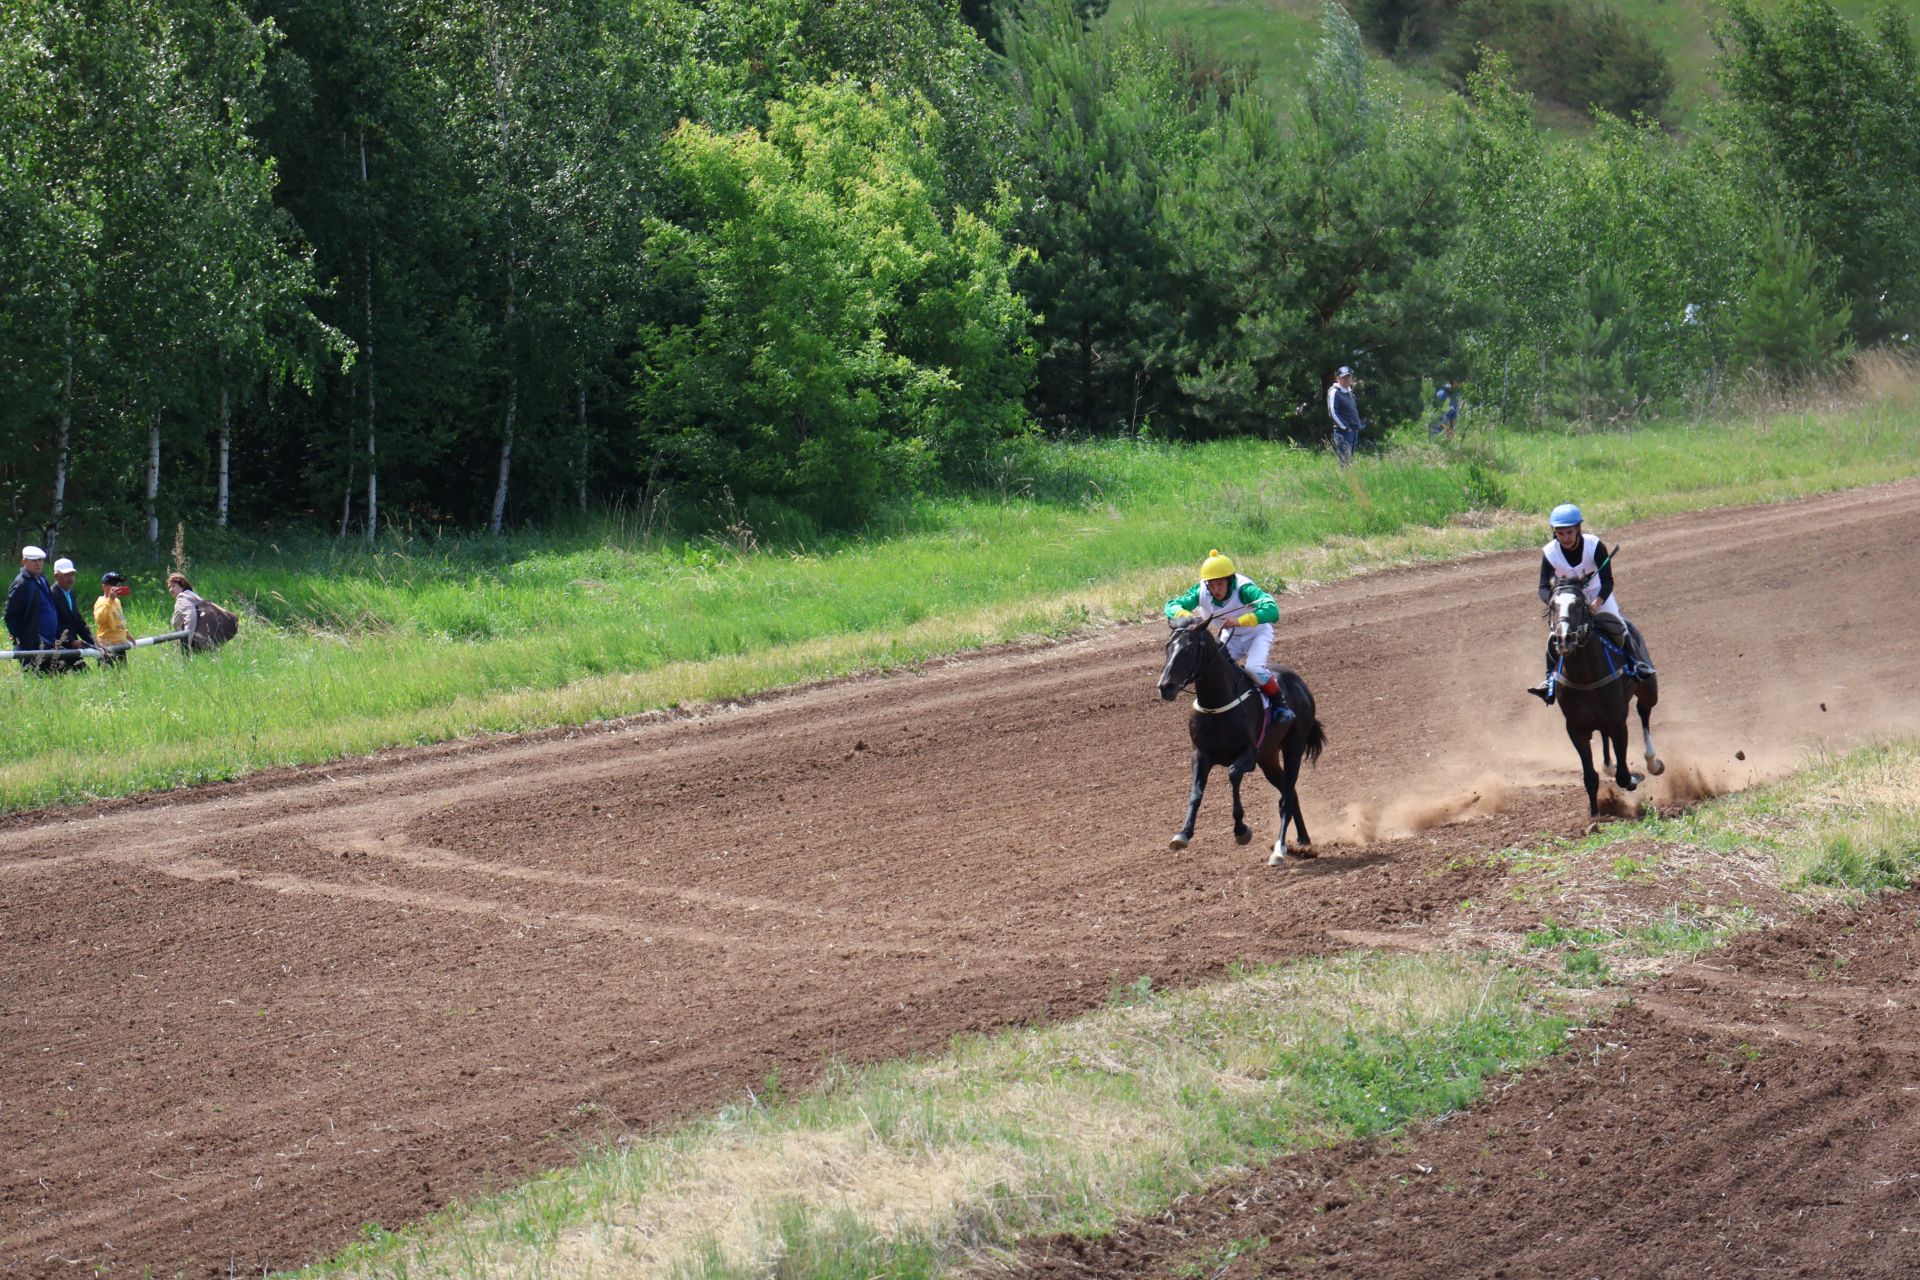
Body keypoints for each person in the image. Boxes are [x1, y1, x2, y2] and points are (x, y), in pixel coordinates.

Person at [1528, 504, 1657, 704]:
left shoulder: (1594, 545)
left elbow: (1608, 581)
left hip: (1597, 594)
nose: (1565, 537)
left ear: (1578, 528)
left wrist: (1597, 603)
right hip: (1567, 601)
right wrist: (1555, 602)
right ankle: (1549, 682)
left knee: (1620, 628)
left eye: (1569, 532)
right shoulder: (1549, 553)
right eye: (1560, 533)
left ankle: (1636, 666)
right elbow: (1543, 587)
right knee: (1554, 638)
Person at [1164, 549, 1293, 724]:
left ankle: (1281, 704)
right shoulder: (1201, 591)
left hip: (1257, 634)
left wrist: (1241, 620)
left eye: (1219, 584)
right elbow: (1172, 605)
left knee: (1254, 669)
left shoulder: (1244, 588)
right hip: (1230, 636)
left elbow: (1273, 610)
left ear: (1230, 580)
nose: (1215, 590)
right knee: (1212, 668)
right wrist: (1186, 615)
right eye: (1211, 584)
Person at [5, 546, 60, 675]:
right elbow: (10, 615)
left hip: (49, 642)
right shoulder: (22, 583)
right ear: (24, 562)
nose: (38, 563)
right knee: (34, 679)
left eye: (40, 560)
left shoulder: (41, 579)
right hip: (32, 645)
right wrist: (23, 637)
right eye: (34, 560)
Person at [48, 557, 96, 672]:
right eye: (66, 575)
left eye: (72, 574)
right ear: (56, 576)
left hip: (71, 648)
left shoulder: (70, 593)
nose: (70, 578)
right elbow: (52, 624)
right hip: (57, 648)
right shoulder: (51, 595)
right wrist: (70, 642)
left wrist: (93, 640)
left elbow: (77, 620)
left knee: (85, 674)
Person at [1327, 366, 1364, 468]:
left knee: (1349, 461)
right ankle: (1344, 481)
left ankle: (1349, 481)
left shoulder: (1349, 392)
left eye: (1348, 377)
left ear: (1351, 378)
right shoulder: (1335, 392)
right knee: (1344, 463)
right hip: (1343, 432)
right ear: (1338, 378)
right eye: (1343, 377)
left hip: (1353, 431)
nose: (1346, 379)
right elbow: (1333, 413)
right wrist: (1345, 427)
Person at [93, 571, 132, 667]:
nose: (117, 587)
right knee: (109, 676)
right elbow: (99, 619)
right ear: (104, 586)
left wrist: (126, 633)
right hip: (107, 646)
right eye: (113, 584)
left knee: (123, 675)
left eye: (119, 584)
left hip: (120, 645)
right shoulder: (101, 602)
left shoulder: (117, 601)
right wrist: (110, 600)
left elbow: (119, 619)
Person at [167, 572, 204, 648]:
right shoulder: (192, 595)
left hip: (198, 642)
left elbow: (191, 617)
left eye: (173, 586)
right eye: (169, 587)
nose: (170, 590)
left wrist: (187, 644)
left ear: (182, 585)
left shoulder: (182, 598)